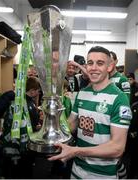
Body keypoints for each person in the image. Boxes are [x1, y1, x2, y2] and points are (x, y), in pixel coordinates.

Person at [48, 46, 132, 179]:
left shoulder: (119, 98)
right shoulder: (82, 93)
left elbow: (117, 148)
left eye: (100, 63)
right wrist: (52, 122)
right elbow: (71, 125)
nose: (93, 68)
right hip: (77, 171)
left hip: (103, 174)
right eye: (90, 63)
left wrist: (76, 151)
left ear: (109, 67)